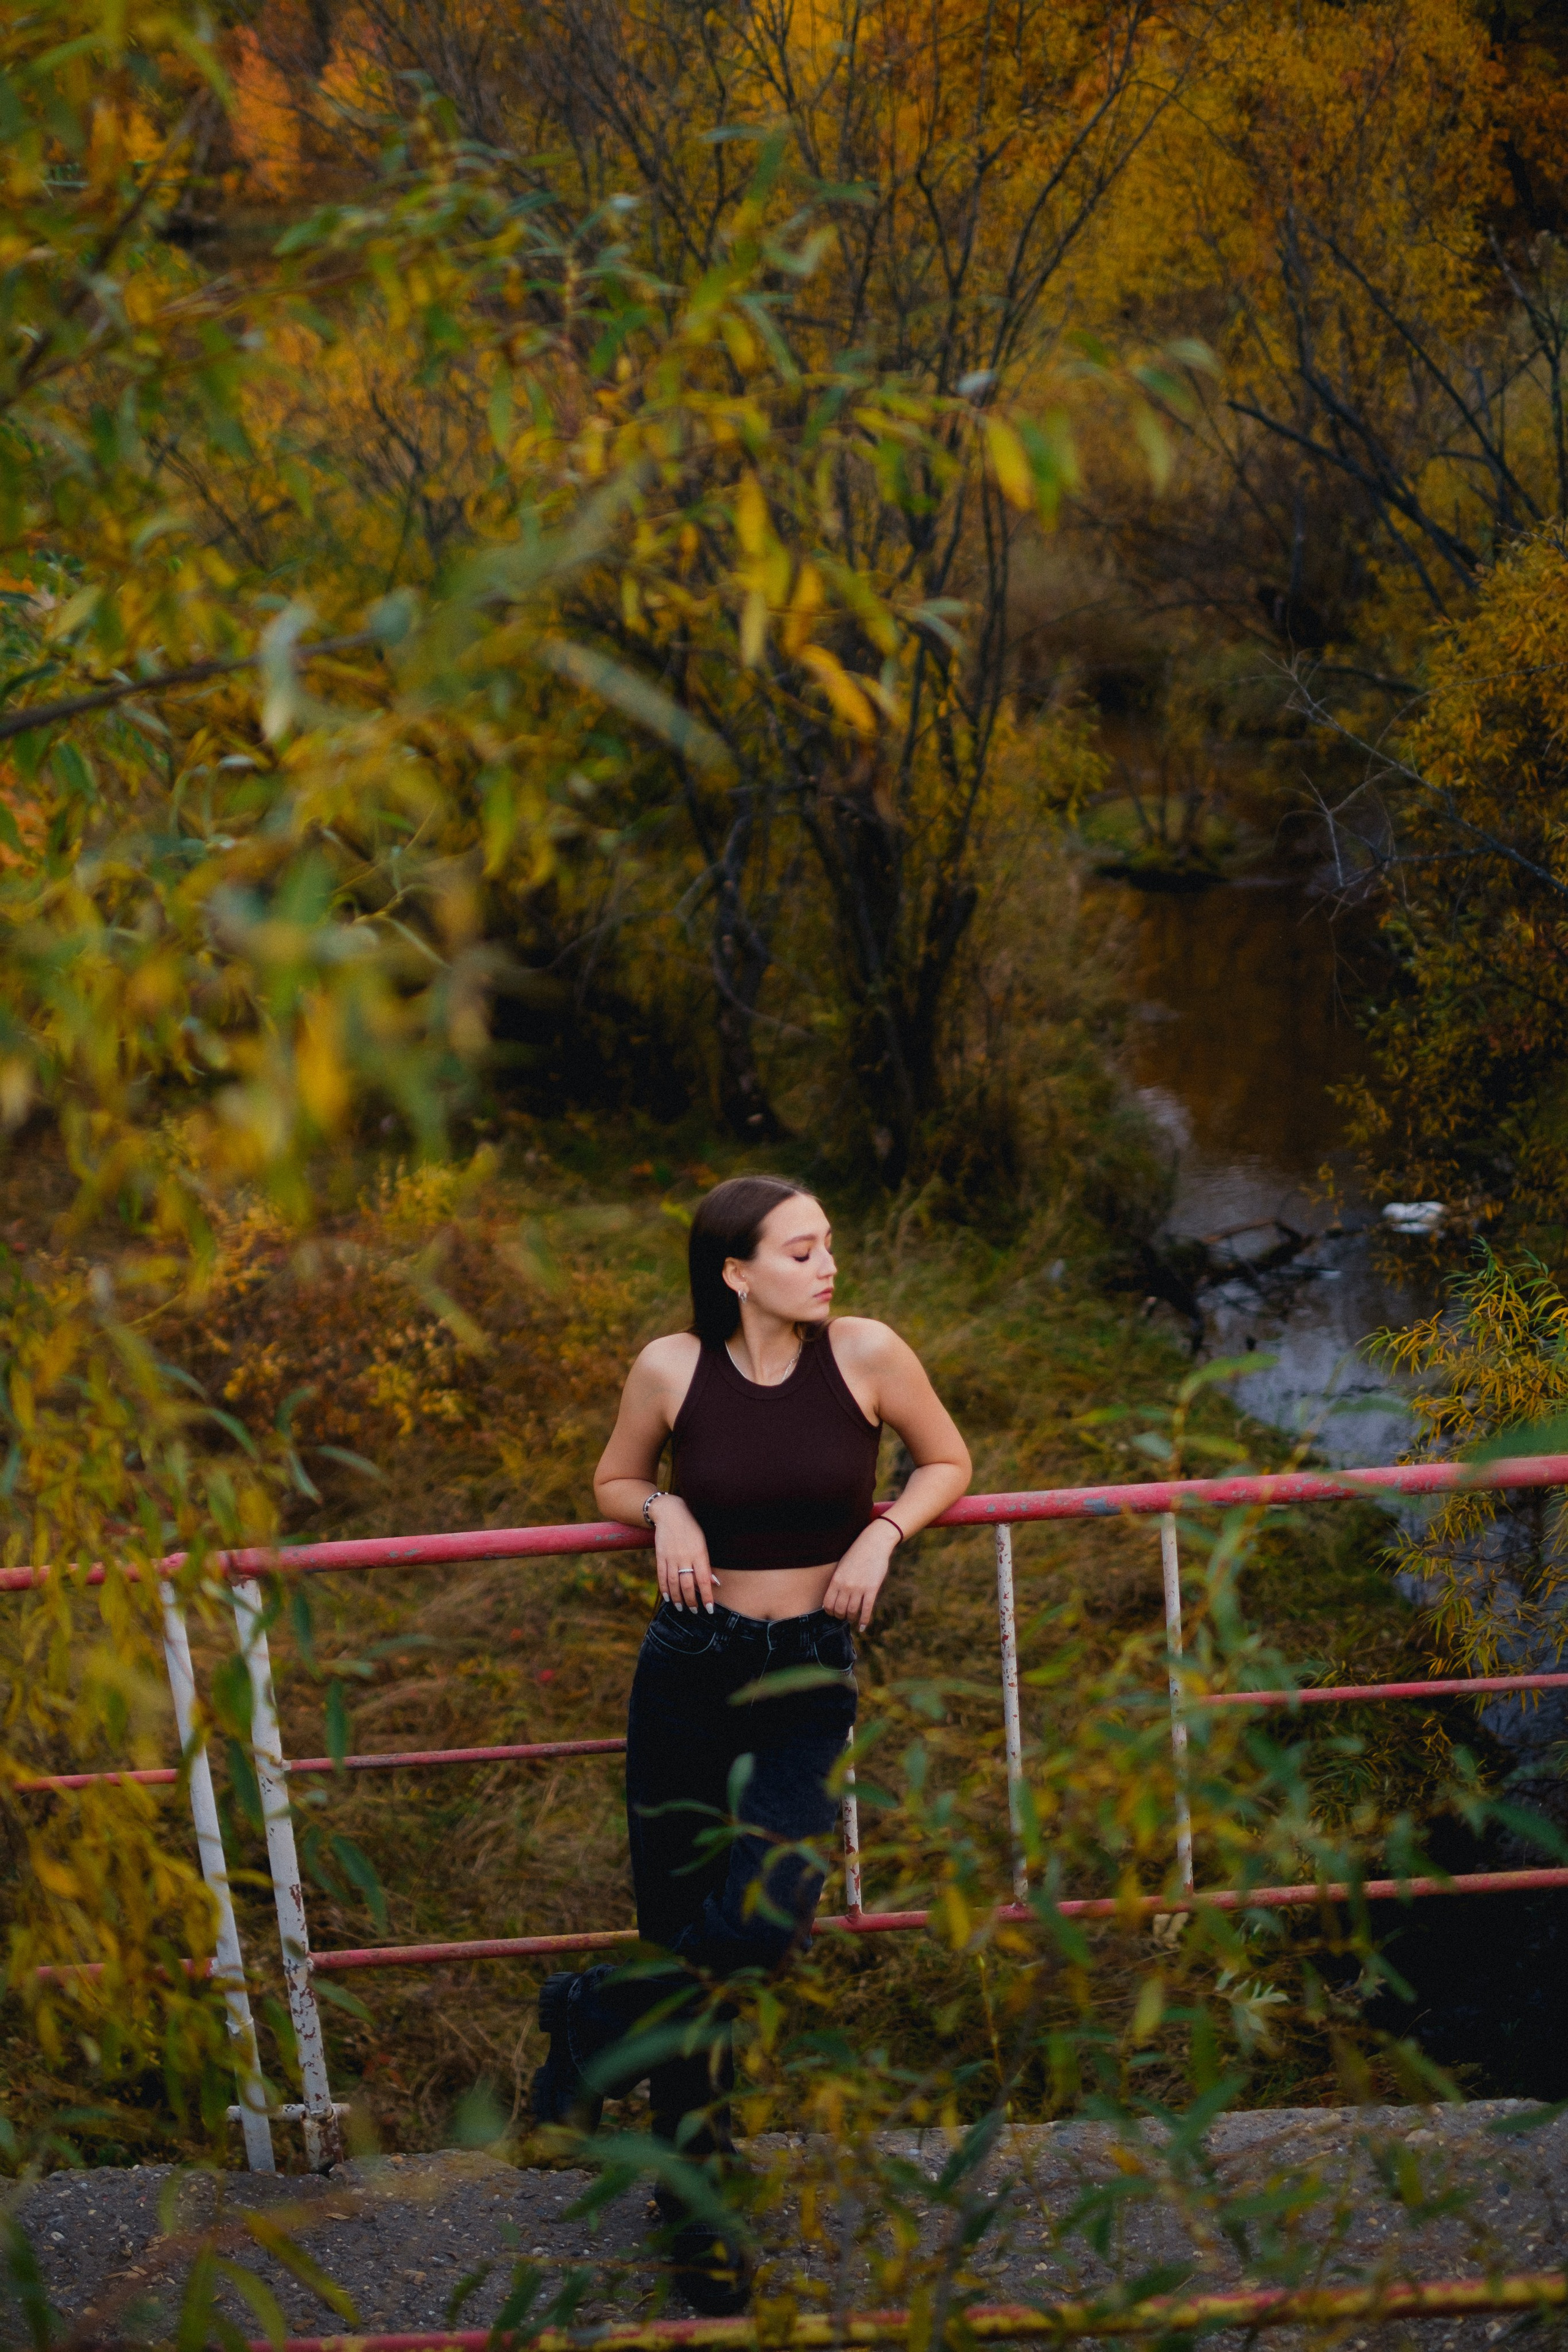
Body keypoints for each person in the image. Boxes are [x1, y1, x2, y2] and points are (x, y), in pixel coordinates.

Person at [530, 1173, 971, 2308]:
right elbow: (615, 1476)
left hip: (808, 1672)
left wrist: (882, 1534)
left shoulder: (869, 1353)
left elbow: (949, 1461)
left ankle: (591, 2016)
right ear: (736, 1272)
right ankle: (699, 2199)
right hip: (688, 1665)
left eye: (829, 1245)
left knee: (764, 1925)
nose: (829, 1266)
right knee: (683, 1924)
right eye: (802, 1250)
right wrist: (664, 1510)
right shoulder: (670, 1368)